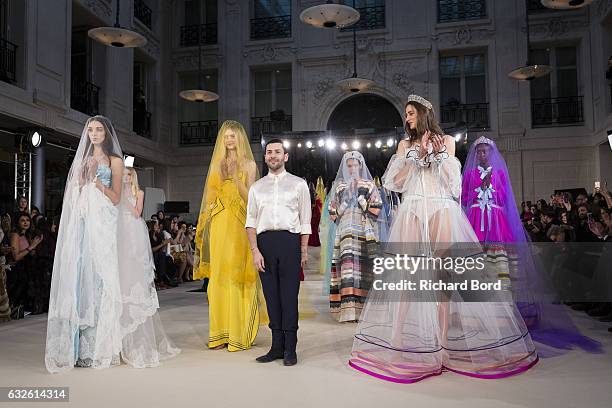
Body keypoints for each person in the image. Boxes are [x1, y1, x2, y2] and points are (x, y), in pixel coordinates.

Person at [350, 95, 538, 382]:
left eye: (411, 113)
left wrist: (438, 157)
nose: (407, 118)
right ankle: (397, 339)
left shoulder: (447, 141)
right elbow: (393, 183)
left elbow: (454, 185)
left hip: (440, 207)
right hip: (413, 207)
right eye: (406, 114)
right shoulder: (404, 145)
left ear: (424, 113)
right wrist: (415, 157)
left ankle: (441, 343)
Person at [45, 115, 179, 373]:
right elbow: (75, 193)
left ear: (107, 134)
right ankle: (80, 346)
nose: (94, 134)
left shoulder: (115, 161)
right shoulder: (83, 160)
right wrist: (81, 187)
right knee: (82, 279)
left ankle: (103, 345)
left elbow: (117, 197)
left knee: (103, 279)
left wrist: (97, 185)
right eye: (90, 130)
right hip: (85, 223)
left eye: (99, 130)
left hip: (104, 223)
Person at [195, 120, 263, 351]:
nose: (229, 140)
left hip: (240, 223)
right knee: (219, 274)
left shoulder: (250, 165)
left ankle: (239, 332)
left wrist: (235, 177)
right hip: (220, 222)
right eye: (226, 137)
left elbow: (249, 198)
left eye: (233, 136)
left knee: (237, 273)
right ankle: (219, 333)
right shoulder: (217, 166)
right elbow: (210, 198)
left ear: (240, 139)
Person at [246, 138, 311, 366]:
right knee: (271, 297)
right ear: (265, 157)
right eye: (269, 152)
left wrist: (303, 250)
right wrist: (255, 250)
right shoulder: (256, 187)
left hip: (289, 242)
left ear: (285, 156)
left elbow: (305, 220)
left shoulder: (299, 184)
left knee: (289, 297)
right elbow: (251, 221)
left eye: (277, 152)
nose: (273, 155)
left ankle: (290, 348)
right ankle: (276, 347)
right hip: (264, 243)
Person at [324, 151, 385, 322]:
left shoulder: (369, 185)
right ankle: (348, 311)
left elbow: (376, 209)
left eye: (355, 165)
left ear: (360, 165)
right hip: (344, 233)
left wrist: (360, 198)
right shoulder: (340, 186)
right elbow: (333, 213)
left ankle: (366, 311)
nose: (352, 168)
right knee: (348, 268)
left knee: (364, 268)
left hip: (364, 231)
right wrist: (345, 201)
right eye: (349, 165)